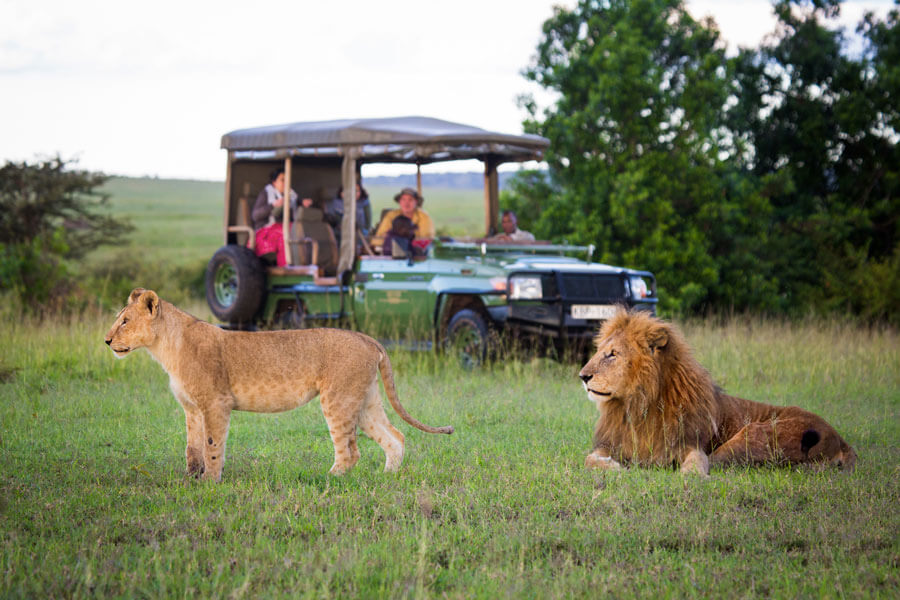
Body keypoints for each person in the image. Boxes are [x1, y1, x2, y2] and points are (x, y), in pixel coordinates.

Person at [251, 168, 299, 266]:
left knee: (297, 230)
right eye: (282, 180)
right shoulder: (265, 194)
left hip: (282, 227)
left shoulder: (290, 196)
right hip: (264, 232)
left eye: (287, 180)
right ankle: (284, 267)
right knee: (285, 234)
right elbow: (255, 216)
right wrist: (272, 205)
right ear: (274, 182)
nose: (286, 183)